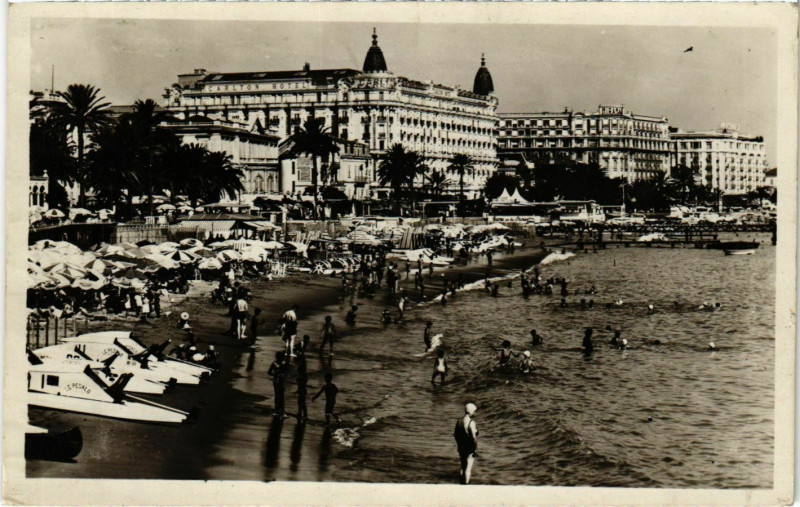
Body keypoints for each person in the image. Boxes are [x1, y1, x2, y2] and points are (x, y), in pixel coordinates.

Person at [453, 403, 479, 485]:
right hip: (469, 448)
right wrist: (475, 450)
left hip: (461, 447)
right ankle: (466, 486)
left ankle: (461, 483)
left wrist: (459, 443)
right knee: (468, 469)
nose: (474, 413)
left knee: (463, 467)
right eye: (474, 411)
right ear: (471, 412)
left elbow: (455, 435)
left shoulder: (459, 421)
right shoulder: (471, 422)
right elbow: (473, 438)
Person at [267, 352, 288, 418]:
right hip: (279, 381)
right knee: (280, 396)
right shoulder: (282, 363)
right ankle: (280, 411)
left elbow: (269, 372)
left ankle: (278, 410)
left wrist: (275, 374)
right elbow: (286, 372)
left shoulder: (275, 363)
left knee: (279, 396)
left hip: (277, 381)